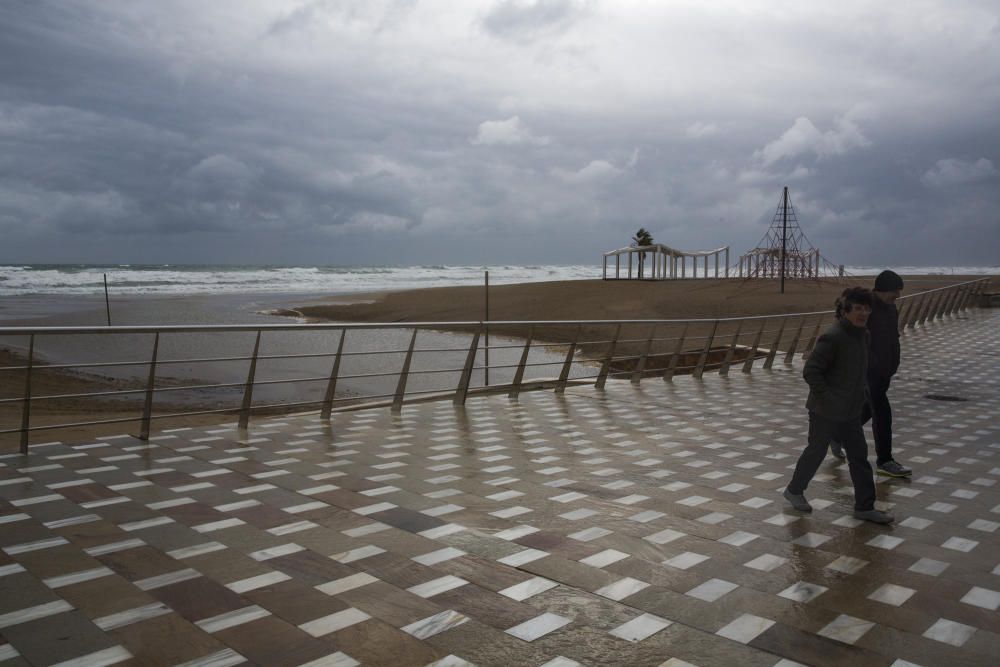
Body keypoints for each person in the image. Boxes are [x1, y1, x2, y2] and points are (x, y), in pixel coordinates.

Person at [784, 287, 893, 524]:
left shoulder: (864, 335)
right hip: (825, 410)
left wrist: (863, 391)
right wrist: (829, 398)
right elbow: (811, 371)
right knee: (816, 451)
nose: (863, 313)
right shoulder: (833, 337)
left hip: (851, 411)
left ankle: (864, 507)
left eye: (866, 309)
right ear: (845, 311)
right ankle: (794, 490)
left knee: (859, 457)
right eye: (857, 309)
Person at [830, 270, 911, 477]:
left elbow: (892, 337)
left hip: (886, 370)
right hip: (867, 371)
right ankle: (885, 460)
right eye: (894, 291)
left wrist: (893, 363)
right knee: (882, 413)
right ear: (882, 290)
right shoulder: (866, 308)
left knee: (866, 408)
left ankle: (837, 435)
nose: (897, 296)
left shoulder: (891, 309)